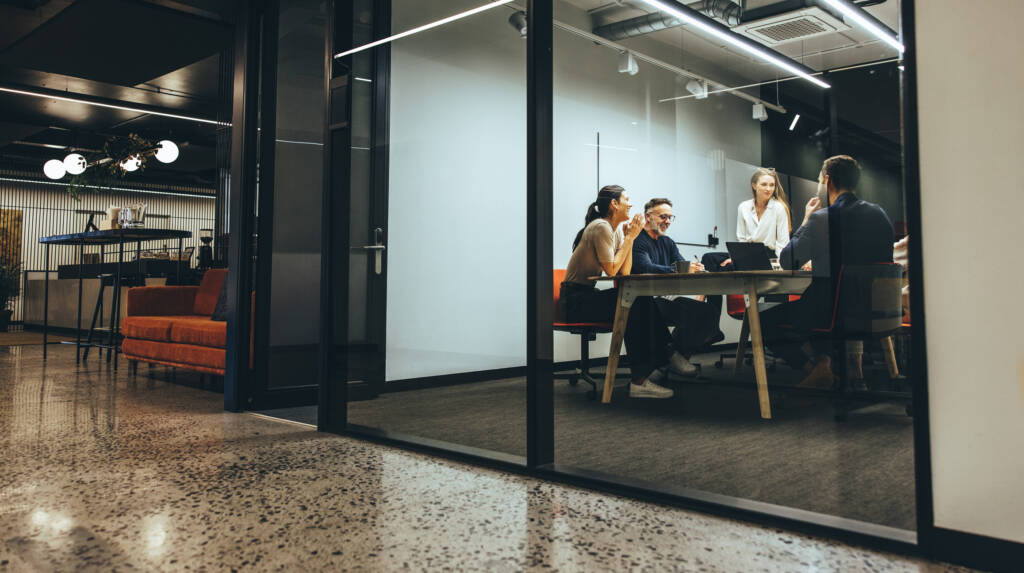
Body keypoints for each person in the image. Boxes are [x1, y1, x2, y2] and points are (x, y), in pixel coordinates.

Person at [762, 155, 895, 387]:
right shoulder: (880, 215)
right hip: (876, 310)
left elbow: (787, 261)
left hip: (833, 311)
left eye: (818, 181)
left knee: (766, 321)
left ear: (827, 181)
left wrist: (806, 220)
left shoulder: (823, 219)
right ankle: (826, 367)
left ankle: (814, 369)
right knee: (820, 300)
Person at [561, 185, 675, 399]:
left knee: (636, 300)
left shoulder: (615, 230)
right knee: (633, 302)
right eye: (626, 199)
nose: (630, 204)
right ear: (614, 204)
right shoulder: (601, 227)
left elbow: (624, 272)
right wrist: (631, 238)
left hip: (587, 296)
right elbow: (612, 270)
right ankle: (654, 367)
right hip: (575, 301)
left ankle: (658, 361)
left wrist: (628, 239)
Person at [632, 198, 723, 373]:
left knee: (708, 312)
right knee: (696, 314)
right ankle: (671, 357)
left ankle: (677, 357)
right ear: (648, 216)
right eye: (663, 217)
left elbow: (682, 264)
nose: (667, 221)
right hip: (645, 302)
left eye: (670, 218)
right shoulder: (638, 240)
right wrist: (679, 268)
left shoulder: (667, 242)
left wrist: (696, 268)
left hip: (666, 298)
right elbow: (646, 268)